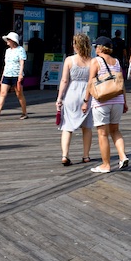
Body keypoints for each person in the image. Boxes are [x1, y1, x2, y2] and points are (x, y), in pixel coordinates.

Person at [84, 36, 129, 173]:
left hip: (102, 101)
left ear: (99, 47)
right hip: (118, 100)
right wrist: (125, 102)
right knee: (115, 130)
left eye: (95, 46)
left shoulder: (96, 61)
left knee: (102, 134)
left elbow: (91, 82)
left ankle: (106, 165)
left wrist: (86, 101)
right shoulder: (116, 61)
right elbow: (121, 84)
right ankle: (123, 156)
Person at [56, 33, 93, 166]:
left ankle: (65, 155)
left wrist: (59, 98)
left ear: (75, 45)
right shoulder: (92, 61)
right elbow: (92, 81)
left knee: (67, 126)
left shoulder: (69, 60)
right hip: (87, 96)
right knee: (87, 127)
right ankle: (86, 155)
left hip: (71, 94)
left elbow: (65, 80)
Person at [0, 32, 28, 120]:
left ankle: (24, 112)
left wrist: (20, 74)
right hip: (7, 74)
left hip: (16, 75)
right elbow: (6, 64)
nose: (7, 41)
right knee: (2, 94)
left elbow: (22, 62)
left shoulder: (20, 49)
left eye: (8, 40)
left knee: (19, 94)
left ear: (13, 41)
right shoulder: (7, 51)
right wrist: (2, 75)